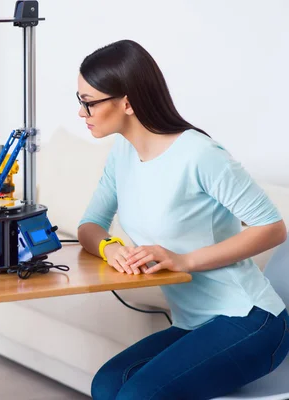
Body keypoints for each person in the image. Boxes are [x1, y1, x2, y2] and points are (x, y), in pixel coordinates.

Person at [76, 39, 289, 400]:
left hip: (251, 320)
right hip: (194, 324)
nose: (82, 113)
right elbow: (89, 227)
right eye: (80, 100)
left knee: (137, 395)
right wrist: (110, 247)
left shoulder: (199, 155)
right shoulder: (122, 155)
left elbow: (272, 228)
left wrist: (184, 260)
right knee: (107, 384)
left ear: (126, 102)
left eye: (89, 102)